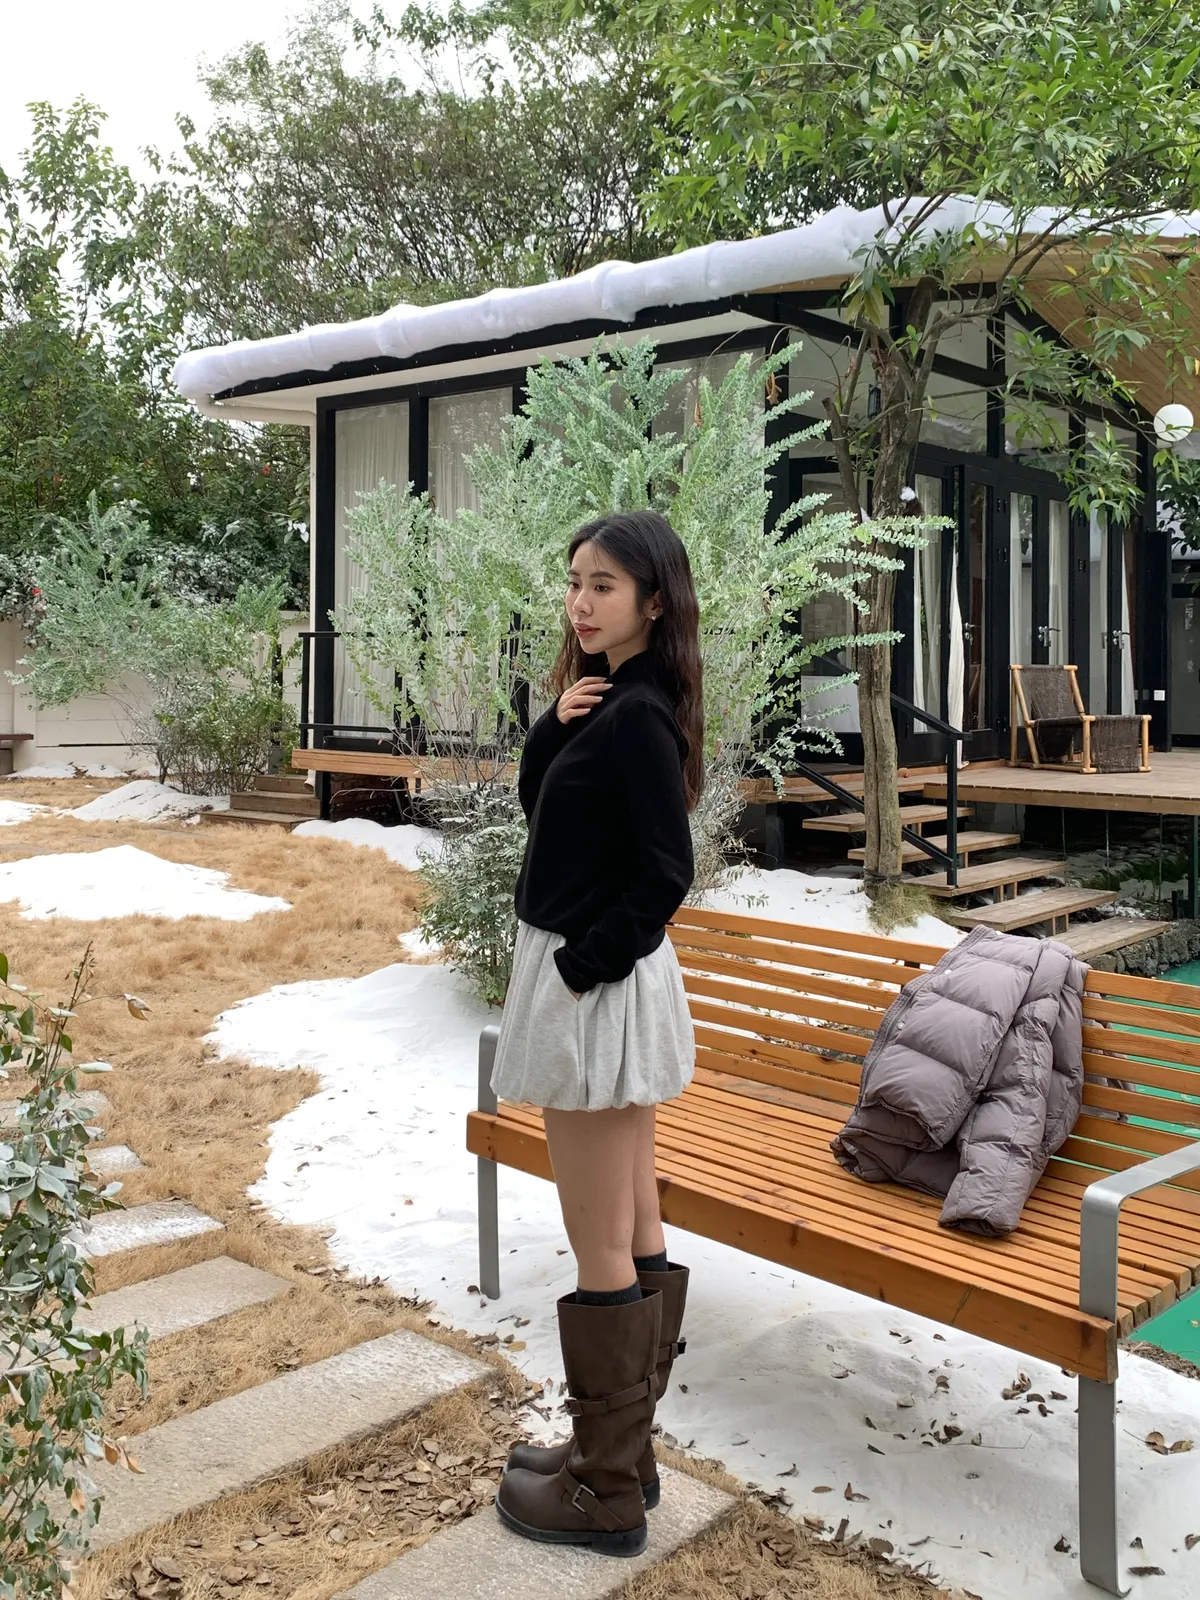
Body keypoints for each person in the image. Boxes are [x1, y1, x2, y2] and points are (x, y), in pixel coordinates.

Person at [491, 509, 704, 1557]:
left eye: (604, 585)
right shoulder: (616, 703)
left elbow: (667, 872)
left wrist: (581, 966)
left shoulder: (638, 717)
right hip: (603, 983)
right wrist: (552, 728)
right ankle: (624, 1456)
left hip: (593, 986)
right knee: (635, 1213)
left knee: (599, 1235)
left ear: (653, 602)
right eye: (575, 581)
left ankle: (603, 1490)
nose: (580, 602)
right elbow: (550, 815)